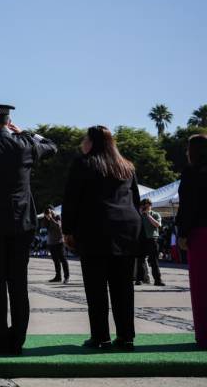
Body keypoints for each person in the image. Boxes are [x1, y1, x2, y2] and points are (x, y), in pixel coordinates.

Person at [0, 104, 57, 355]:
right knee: (18, 284)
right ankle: (17, 340)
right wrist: (26, 132)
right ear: (9, 122)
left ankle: (0, 339)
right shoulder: (25, 144)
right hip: (22, 224)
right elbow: (51, 145)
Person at [62, 125, 142, 351]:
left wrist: (68, 230)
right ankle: (126, 336)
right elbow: (135, 199)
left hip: (95, 229)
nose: (82, 143)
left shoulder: (83, 163)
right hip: (126, 229)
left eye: (85, 139)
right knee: (123, 286)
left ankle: (100, 336)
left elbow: (71, 199)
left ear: (92, 142)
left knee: (96, 286)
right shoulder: (127, 166)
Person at [176, 134, 207, 349]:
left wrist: (183, 233)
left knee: (201, 286)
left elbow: (187, 205)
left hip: (200, 233)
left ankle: (204, 335)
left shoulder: (191, 172)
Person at [136, 199, 165, 286]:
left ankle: (158, 280)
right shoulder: (139, 215)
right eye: (143, 205)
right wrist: (140, 214)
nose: (145, 207)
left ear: (150, 205)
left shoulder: (155, 214)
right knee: (140, 260)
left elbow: (157, 225)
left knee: (154, 261)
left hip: (152, 239)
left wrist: (148, 215)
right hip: (141, 239)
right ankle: (139, 279)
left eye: (146, 205)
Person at [44, 206, 69, 284]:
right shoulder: (46, 219)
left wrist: (51, 218)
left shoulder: (57, 217)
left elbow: (58, 226)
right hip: (51, 243)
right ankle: (58, 277)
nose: (48, 214)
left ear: (52, 211)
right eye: (47, 213)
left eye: (49, 211)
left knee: (63, 259)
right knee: (56, 260)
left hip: (59, 242)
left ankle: (66, 277)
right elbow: (46, 227)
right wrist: (47, 218)